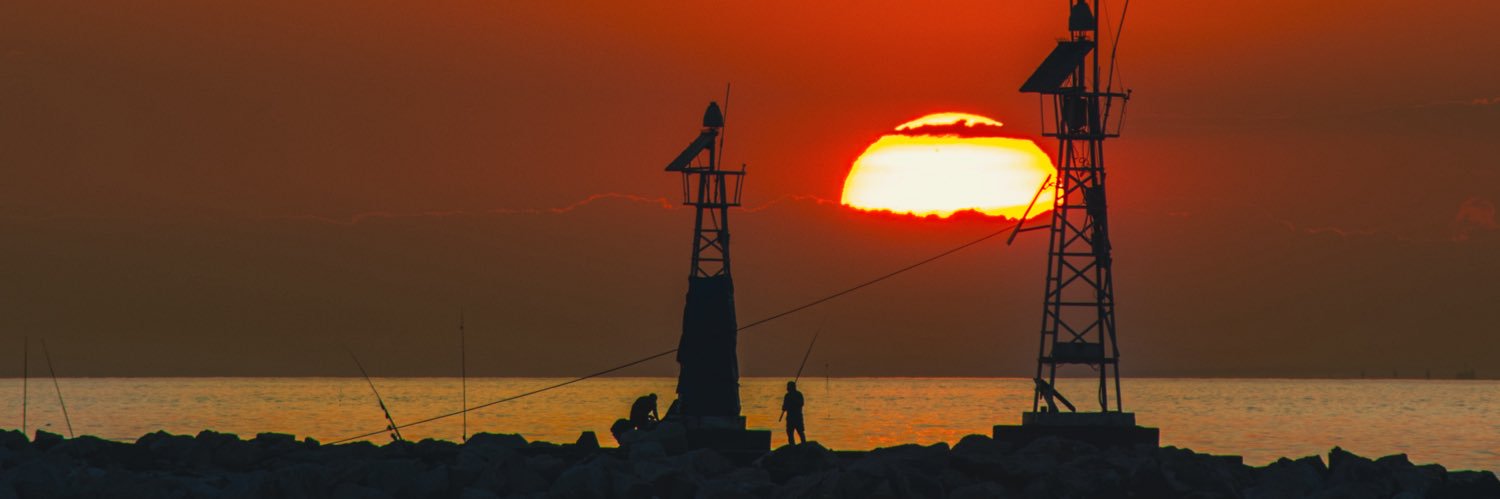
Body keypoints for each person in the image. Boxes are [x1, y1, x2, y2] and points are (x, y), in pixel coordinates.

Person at [781, 381, 805, 445]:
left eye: (788, 387)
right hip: (790, 418)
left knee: (800, 432)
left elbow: (801, 403)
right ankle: (792, 446)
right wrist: (785, 406)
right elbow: (784, 407)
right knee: (790, 433)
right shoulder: (787, 396)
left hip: (797, 418)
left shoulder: (798, 395)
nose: (787, 388)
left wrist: (792, 402)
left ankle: (804, 445)